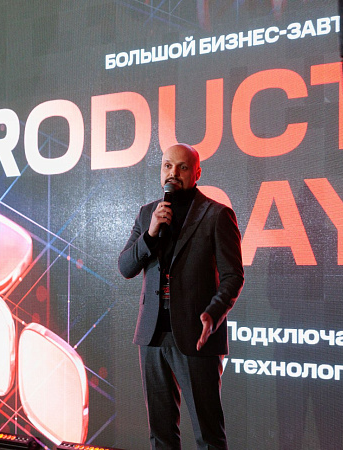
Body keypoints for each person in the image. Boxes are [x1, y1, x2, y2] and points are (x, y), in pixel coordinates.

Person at [118, 143, 244, 449]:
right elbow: (125, 267)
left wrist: (213, 313)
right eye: (167, 166)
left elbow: (233, 276)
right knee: (161, 434)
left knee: (208, 435)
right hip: (152, 335)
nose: (173, 173)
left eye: (182, 167)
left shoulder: (217, 214)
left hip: (197, 334)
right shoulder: (148, 214)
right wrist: (150, 234)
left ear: (197, 173)